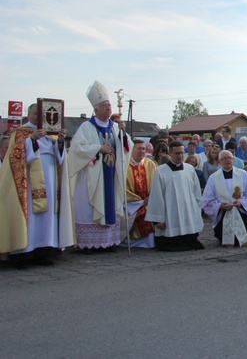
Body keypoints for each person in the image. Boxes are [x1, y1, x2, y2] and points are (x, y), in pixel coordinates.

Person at [0, 103, 74, 266]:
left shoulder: (52, 134)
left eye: (41, 115)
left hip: (49, 179)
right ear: (28, 115)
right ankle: (24, 253)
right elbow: (15, 157)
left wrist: (60, 142)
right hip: (28, 181)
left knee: (48, 217)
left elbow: (60, 158)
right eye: (35, 114)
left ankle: (44, 251)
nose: (38, 117)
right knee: (31, 217)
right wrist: (32, 139)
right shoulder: (20, 132)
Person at [68, 81, 132, 253]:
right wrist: (98, 149)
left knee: (110, 202)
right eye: (105, 106)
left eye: (110, 106)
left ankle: (108, 241)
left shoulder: (114, 127)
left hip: (110, 174)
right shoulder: (86, 127)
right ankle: (88, 244)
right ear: (96, 109)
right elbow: (76, 149)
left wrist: (123, 133)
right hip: (92, 176)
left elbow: (126, 148)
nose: (109, 109)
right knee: (90, 206)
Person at [145, 141, 204, 251]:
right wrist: (159, 220)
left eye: (182, 153)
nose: (180, 156)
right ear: (170, 154)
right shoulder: (160, 171)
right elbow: (157, 196)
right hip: (170, 211)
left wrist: (197, 209)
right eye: (177, 153)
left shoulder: (190, 169)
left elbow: (196, 192)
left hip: (187, 209)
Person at [202, 150, 247, 247]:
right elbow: (207, 199)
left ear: (233, 160)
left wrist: (241, 203)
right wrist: (219, 206)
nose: (228, 160)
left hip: (240, 211)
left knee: (243, 236)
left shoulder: (243, 174)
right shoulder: (213, 178)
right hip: (223, 213)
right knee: (224, 238)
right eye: (224, 158)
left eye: (230, 158)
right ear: (219, 162)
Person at [122, 139, 158, 248]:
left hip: (150, 201)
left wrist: (151, 198)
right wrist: (141, 202)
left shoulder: (150, 163)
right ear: (131, 150)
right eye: (138, 148)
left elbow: (157, 182)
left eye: (144, 149)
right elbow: (122, 190)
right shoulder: (124, 165)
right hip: (131, 205)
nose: (142, 151)